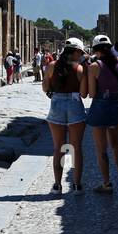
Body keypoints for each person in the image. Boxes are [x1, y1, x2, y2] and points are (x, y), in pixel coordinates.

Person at [86, 34, 118, 192]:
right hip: (116, 106)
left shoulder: (94, 66)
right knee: (117, 144)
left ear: (96, 50)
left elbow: (91, 93)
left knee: (101, 148)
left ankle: (106, 184)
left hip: (100, 107)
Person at [43, 37, 89, 194]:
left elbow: (45, 88)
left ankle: (57, 185)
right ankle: (77, 185)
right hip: (75, 105)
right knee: (76, 148)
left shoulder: (51, 66)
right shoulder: (79, 69)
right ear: (76, 52)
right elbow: (83, 94)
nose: (81, 56)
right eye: (80, 53)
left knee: (58, 148)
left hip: (56, 105)